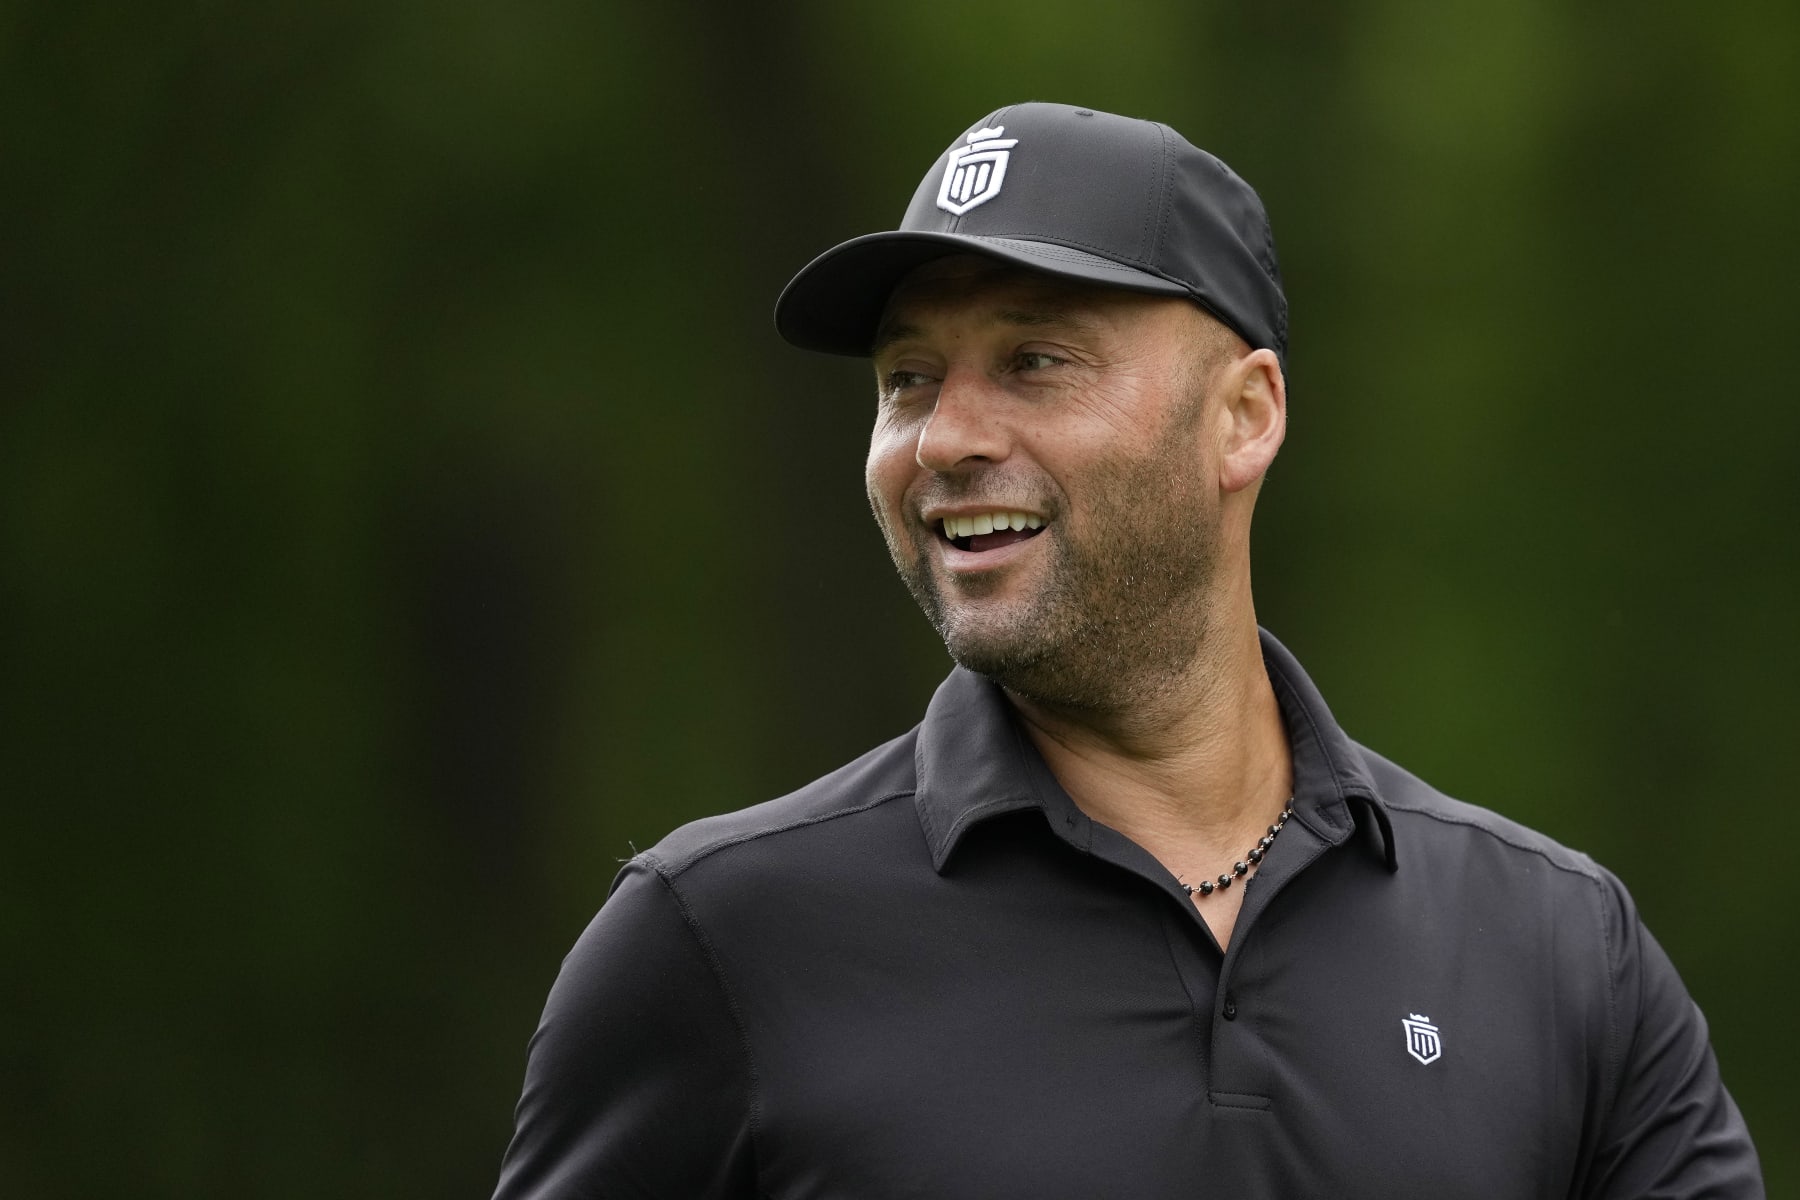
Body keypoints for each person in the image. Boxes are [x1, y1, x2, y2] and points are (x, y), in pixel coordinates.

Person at [492, 102, 1761, 1198]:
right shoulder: (716, 942)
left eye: (1035, 361)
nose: (942, 438)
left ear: (1244, 418)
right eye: (907, 379)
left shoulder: (1555, 953)